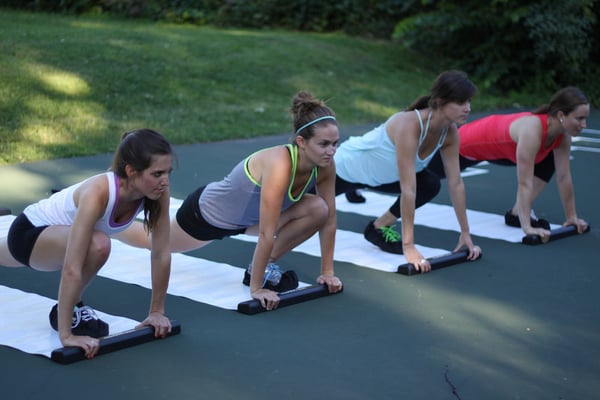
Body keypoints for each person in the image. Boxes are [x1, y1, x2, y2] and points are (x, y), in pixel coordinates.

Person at [122, 91, 343, 311]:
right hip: (206, 216)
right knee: (154, 242)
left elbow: (330, 220)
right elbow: (267, 233)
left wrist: (328, 272)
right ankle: (112, 225)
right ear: (301, 142)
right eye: (323, 144)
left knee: (319, 209)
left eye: (335, 144)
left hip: (247, 222)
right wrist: (256, 290)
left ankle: (264, 267)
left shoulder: (325, 167)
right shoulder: (280, 165)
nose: (331, 151)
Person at [0, 129, 174, 359]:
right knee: (99, 244)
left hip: (46, 240)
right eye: (158, 173)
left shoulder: (157, 191)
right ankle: (70, 312)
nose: (165, 181)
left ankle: (71, 309)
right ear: (131, 171)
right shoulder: (98, 193)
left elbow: (161, 252)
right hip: (28, 234)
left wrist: (157, 312)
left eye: (168, 172)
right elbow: (72, 266)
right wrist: (66, 336)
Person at [334, 70, 482, 272]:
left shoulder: (449, 133)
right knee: (293, 208)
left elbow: (456, 183)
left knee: (430, 184)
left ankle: (378, 228)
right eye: (461, 102)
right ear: (439, 101)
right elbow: (408, 190)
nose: (468, 108)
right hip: (346, 168)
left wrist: (465, 233)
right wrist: (409, 246)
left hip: (383, 177)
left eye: (469, 102)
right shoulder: (410, 125)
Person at [428, 86, 590, 242]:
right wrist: (527, 228)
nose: (584, 125)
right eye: (579, 118)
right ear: (561, 115)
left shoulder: (562, 136)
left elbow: (564, 177)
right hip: (466, 143)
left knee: (548, 159)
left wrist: (571, 217)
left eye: (585, 119)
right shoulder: (533, 130)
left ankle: (517, 211)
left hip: (502, 151)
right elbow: (524, 182)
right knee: (425, 177)